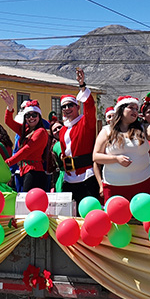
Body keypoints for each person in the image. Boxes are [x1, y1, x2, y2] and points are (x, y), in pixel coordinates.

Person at [94, 95, 150, 200]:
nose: (134, 111)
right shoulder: (107, 130)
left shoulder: (143, 128)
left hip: (144, 182)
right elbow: (96, 156)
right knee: (117, 215)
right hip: (114, 185)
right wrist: (116, 159)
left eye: (136, 109)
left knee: (144, 215)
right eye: (131, 107)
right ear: (121, 109)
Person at [56, 68, 100, 202]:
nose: (67, 109)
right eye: (64, 107)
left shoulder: (85, 122)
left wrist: (82, 86)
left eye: (70, 105)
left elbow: (90, 106)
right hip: (69, 177)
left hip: (86, 175)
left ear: (77, 107)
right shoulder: (63, 129)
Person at [0, 89, 50, 192]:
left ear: (39, 116)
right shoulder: (25, 130)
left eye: (34, 115)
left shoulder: (41, 132)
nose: (31, 118)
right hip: (24, 171)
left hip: (34, 173)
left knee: (28, 203)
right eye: (28, 115)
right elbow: (8, 122)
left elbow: (26, 150)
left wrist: (8, 162)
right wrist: (10, 107)